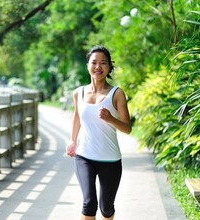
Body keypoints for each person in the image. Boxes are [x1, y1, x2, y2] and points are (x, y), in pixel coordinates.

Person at [66, 45, 132, 220]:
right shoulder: (78, 93)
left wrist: (111, 118)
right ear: (87, 65)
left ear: (109, 67)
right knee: (89, 203)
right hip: (84, 156)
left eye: (103, 63)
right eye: (94, 62)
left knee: (106, 208)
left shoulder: (116, 94)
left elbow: (127, 128)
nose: (98, 67)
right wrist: (72, 141)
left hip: (110, 159)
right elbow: (77, 118)